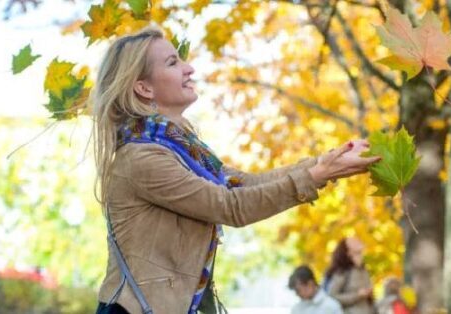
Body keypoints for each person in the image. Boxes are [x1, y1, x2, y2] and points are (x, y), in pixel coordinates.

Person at [91, 26, 381, 314]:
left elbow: (242, 184)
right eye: (173, 62)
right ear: (143, 87)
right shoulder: (143, 158)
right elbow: (231, 206)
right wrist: (318, 175)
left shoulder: (184, 150)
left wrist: (328, 162)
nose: (189, 68)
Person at [325, 237, 376, 314]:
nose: (357, 241)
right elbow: (332, 297)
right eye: (353, 242)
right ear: (348, 252)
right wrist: (357, 295)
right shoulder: (342, 271)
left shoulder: (364, 270)